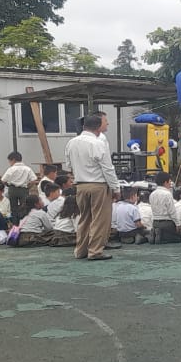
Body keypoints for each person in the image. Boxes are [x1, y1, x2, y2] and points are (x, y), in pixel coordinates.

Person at [63, 111, 120, 261]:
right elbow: (108, 168)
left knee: (84, 218)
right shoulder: (98, 143)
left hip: (80, 185)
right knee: (100, 220)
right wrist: (115, 188)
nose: (107, 124)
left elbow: (69, 165)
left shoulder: (71, 142)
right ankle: (95, 251)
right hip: (98, 185)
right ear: (98, 127)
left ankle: (80, 250)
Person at [0, 151, 37, 220]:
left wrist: (8, 185)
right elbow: (34, 180)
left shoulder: (11, 169)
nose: (10, 163)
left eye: (9, 161)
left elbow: (3, 180)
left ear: (13, 160)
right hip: (24, 189)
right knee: (24, 207)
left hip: (12, 189)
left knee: (13, 207)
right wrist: (29, 187)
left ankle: (15, 222)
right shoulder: (27, 169)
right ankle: (23, 221)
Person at [149, 172, 180, 244]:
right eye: (170, 181)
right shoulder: (167, 194)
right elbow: (172, 211)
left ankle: (155, 234)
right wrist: (178, 224)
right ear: (165, 182)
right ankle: (162, 237)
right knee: (179, 238)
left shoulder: (152, 194)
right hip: (167, 223)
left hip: (155, 223)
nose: (170, 183)